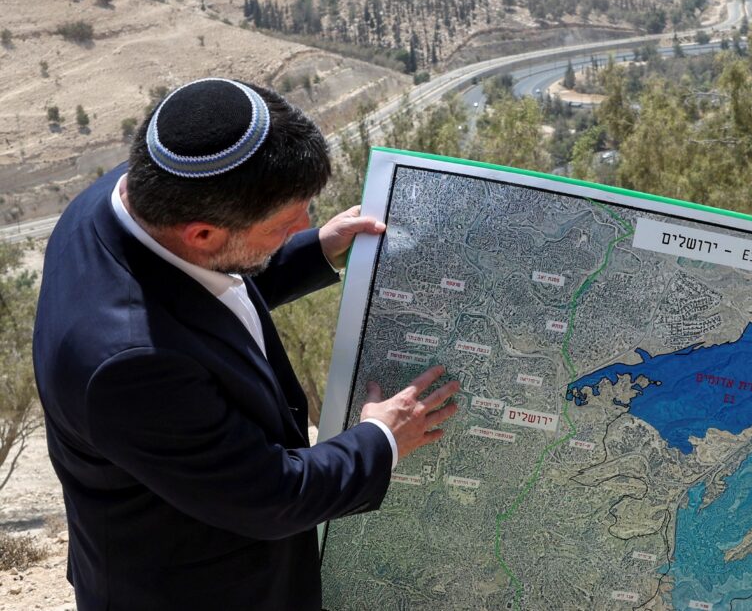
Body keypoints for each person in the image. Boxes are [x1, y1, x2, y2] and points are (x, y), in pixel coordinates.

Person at [32, 78, 459, 610]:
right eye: (283, 224)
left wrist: (315, 250)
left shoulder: (143, 191)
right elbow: (273, 496)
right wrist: (382, 437)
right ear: (203, 234)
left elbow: (205, 289)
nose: (304, 222)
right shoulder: (128, 365)